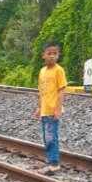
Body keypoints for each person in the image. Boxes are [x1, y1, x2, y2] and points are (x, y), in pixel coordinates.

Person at [34, 42, 67, 174]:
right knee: (47, 137)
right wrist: (39, 107)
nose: (52, 56)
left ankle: (54, 164)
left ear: (58, 55)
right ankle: (51, 160)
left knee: (51, 137)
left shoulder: (59, 70)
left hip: (53, 110)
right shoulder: (42, 71)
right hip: (44, 110)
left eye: (55, 53)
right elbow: (41, 91)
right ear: (43, 55)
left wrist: (58, 109)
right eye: (49, 53)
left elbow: (62, 90)